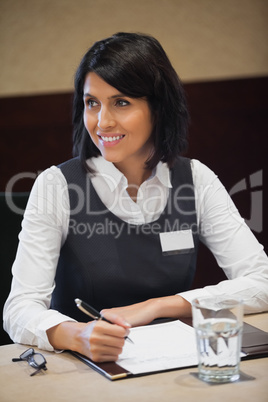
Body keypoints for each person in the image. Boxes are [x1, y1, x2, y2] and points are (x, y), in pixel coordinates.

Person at [3, 32, 268, 363]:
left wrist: (158, 306)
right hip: (87, 370)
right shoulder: (56, 186)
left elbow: (262, 281)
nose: (102, 122)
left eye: (121, 102)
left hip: (174, 365)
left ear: (159, 106)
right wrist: (77, 335)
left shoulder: (196, 179)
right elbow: (19, 308)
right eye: (92, 103)